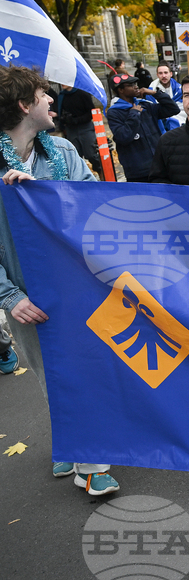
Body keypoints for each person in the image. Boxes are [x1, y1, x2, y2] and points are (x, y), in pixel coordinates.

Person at [0, 65, 121, 495]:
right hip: (27, 297)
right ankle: (73, 441)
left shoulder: (64, 151)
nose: (53, 100)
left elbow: (92, 209)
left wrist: (43, 197)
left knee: (83, 372)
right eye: (43, 94)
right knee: (50, 373)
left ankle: (90, 463)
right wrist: (9, 296)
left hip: (76, 286)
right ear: (24, 105)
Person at [106, 73, 179, 182]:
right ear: (120, 90)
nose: (136, 87)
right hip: (137, 171)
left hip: (159, 166)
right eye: (131, 85)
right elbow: (123, 136)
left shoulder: (144, 105)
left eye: (135, 84)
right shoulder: (114, 112)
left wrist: (155, 93)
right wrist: (134, 114)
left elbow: (173, 109)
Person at [55, 84, 102, 174]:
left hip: (85, 127)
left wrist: (77, 120)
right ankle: (80, 176)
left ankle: (101, 172)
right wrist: (63, 119)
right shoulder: (62, 96)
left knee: (91, 154)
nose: (62, 84)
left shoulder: (83, 94)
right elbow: (60, 112)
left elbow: (91, 112)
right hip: (71, 129)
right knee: (75, 155)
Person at [151, 62, 185, 130]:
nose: (163, 76)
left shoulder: (180, 90)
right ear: (157, 75)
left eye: (166, 73)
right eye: (160, 73)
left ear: (171, 74)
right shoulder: (151, 91)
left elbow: (182, 107)